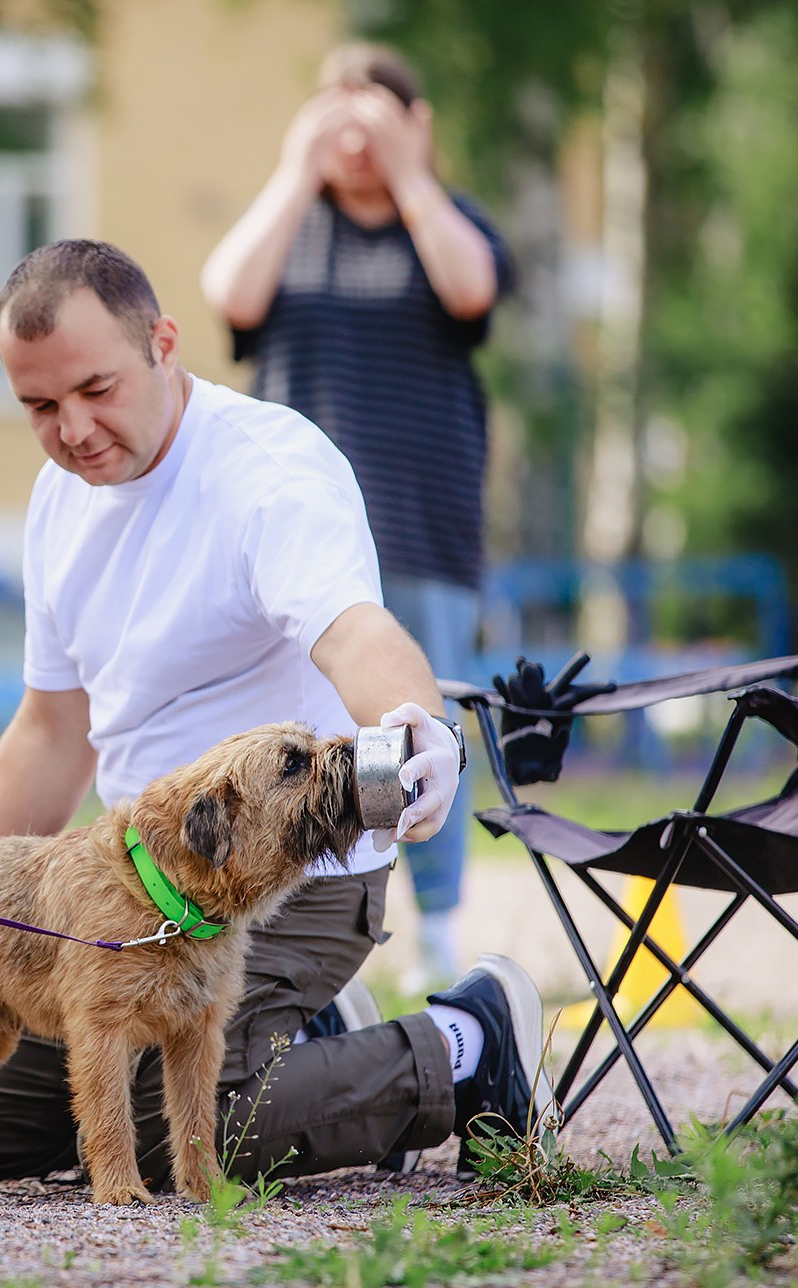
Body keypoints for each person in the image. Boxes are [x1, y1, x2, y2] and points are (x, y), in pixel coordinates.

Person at [0, 239, 555, 1189]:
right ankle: (310, 1041)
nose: (73, 429)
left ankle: (466, 1044)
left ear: (164, 343)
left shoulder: (269, 469)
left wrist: (416, 725)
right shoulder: (56, 500)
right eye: (40, 407)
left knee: (168, 1134)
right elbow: (50, 729)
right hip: (136, 880)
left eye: (96, 388)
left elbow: (355, 632)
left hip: (289, 878)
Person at [200, 44, 512, 987]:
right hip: (294, 530)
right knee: (301, 732)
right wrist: (298, 171)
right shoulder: (292, 224)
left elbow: (474, 289)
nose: (352, 138)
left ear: (416, 125)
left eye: (372, 117)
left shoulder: (447, 224)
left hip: (420, 513)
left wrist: (412, 173)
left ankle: (443, 933)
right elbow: (229, 294)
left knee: (425, 714)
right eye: (333, 116)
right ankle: (307, 936)